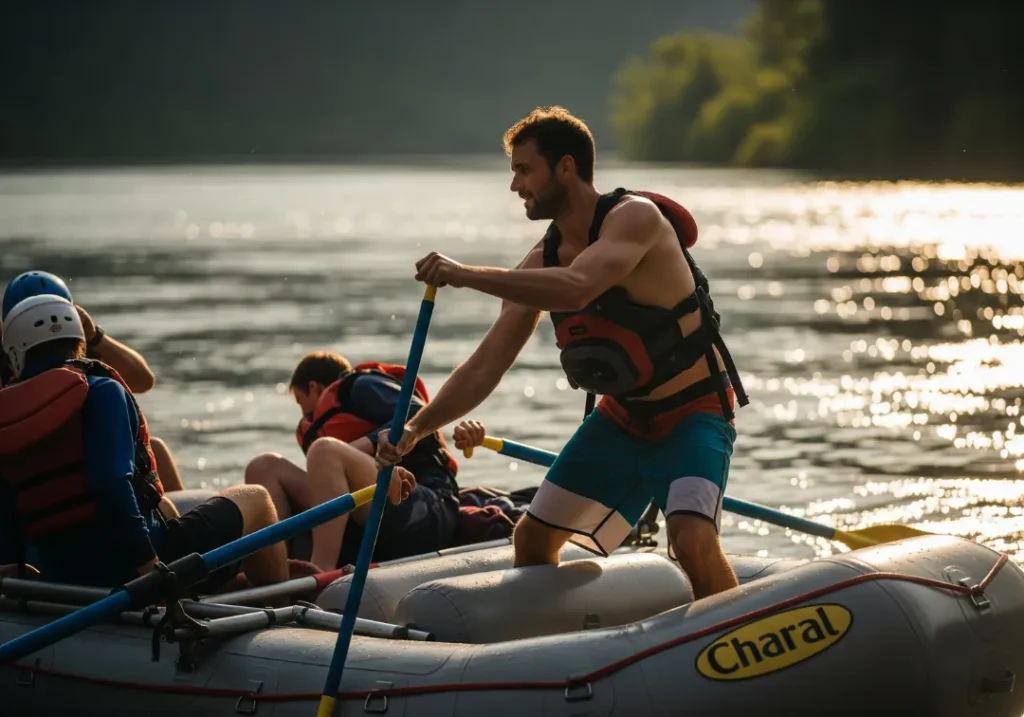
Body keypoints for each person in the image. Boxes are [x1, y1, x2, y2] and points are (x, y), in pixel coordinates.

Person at [376, 106, 750, 600]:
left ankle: (734, 642)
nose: (515, 187)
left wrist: (464, 274)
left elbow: (578, 287)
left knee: (690, 537)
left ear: (567, 167)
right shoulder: (540, 260)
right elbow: (486, 365)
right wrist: (414, 431)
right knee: (531, 539)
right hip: (622, 421)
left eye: (524, 170)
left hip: (693, 413)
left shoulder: (634, 218)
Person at [0, 294, 292, 590]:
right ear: (79, 340)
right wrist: (148, 566)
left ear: (14, 355)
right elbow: (109, 482)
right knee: (256, 497)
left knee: (165, 506)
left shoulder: (6, 415)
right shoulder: (100, 390)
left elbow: (7, 510)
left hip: (58, 573)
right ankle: (280, 608)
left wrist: (20, 574)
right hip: (133, 570)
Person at [244, 351, 457, 571]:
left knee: (324, 450)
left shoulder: (361, 386)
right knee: (263, 466)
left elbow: (419, 415)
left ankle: (320, 569)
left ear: (314, 387)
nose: (304, 413)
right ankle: (276, 566)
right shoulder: (319, 428)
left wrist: (362, 445)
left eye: (301, 401)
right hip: (367, 512)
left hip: (428, 507)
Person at [1, 270, 184, 494]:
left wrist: (95, 336)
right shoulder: (7, 364)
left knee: (156, 449)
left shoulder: (76, 352)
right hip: (46, 468)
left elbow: (144, 380)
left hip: (72, 472)